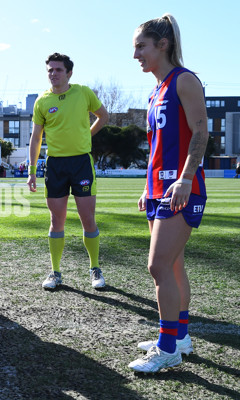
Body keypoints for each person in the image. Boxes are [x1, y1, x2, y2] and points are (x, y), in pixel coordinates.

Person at [128, 14, 208, 374]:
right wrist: (148, 187)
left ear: (163, 45)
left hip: (181, 188)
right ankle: (181, 337)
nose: (136, 56)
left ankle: (167, 348)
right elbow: (157, 147)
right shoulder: (155, 90)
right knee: (173, 266)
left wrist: (186, 179)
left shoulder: (184, 80)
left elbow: (201, 133)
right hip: (159, 189)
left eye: (141, 47)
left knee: (157, 266)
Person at [27, 53, 109, 291]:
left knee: (88, 219)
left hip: (81, 163)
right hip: (55, 166)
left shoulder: (83, 92)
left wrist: (87, 135)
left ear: (69, 73)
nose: (53, 74)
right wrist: (32, 171)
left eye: (58, 70)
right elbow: (35, 138)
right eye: (50, 70)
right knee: (56, 220)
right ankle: (55, 272)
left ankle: (94, 268)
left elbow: (104, 116)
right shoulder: (42, 101)